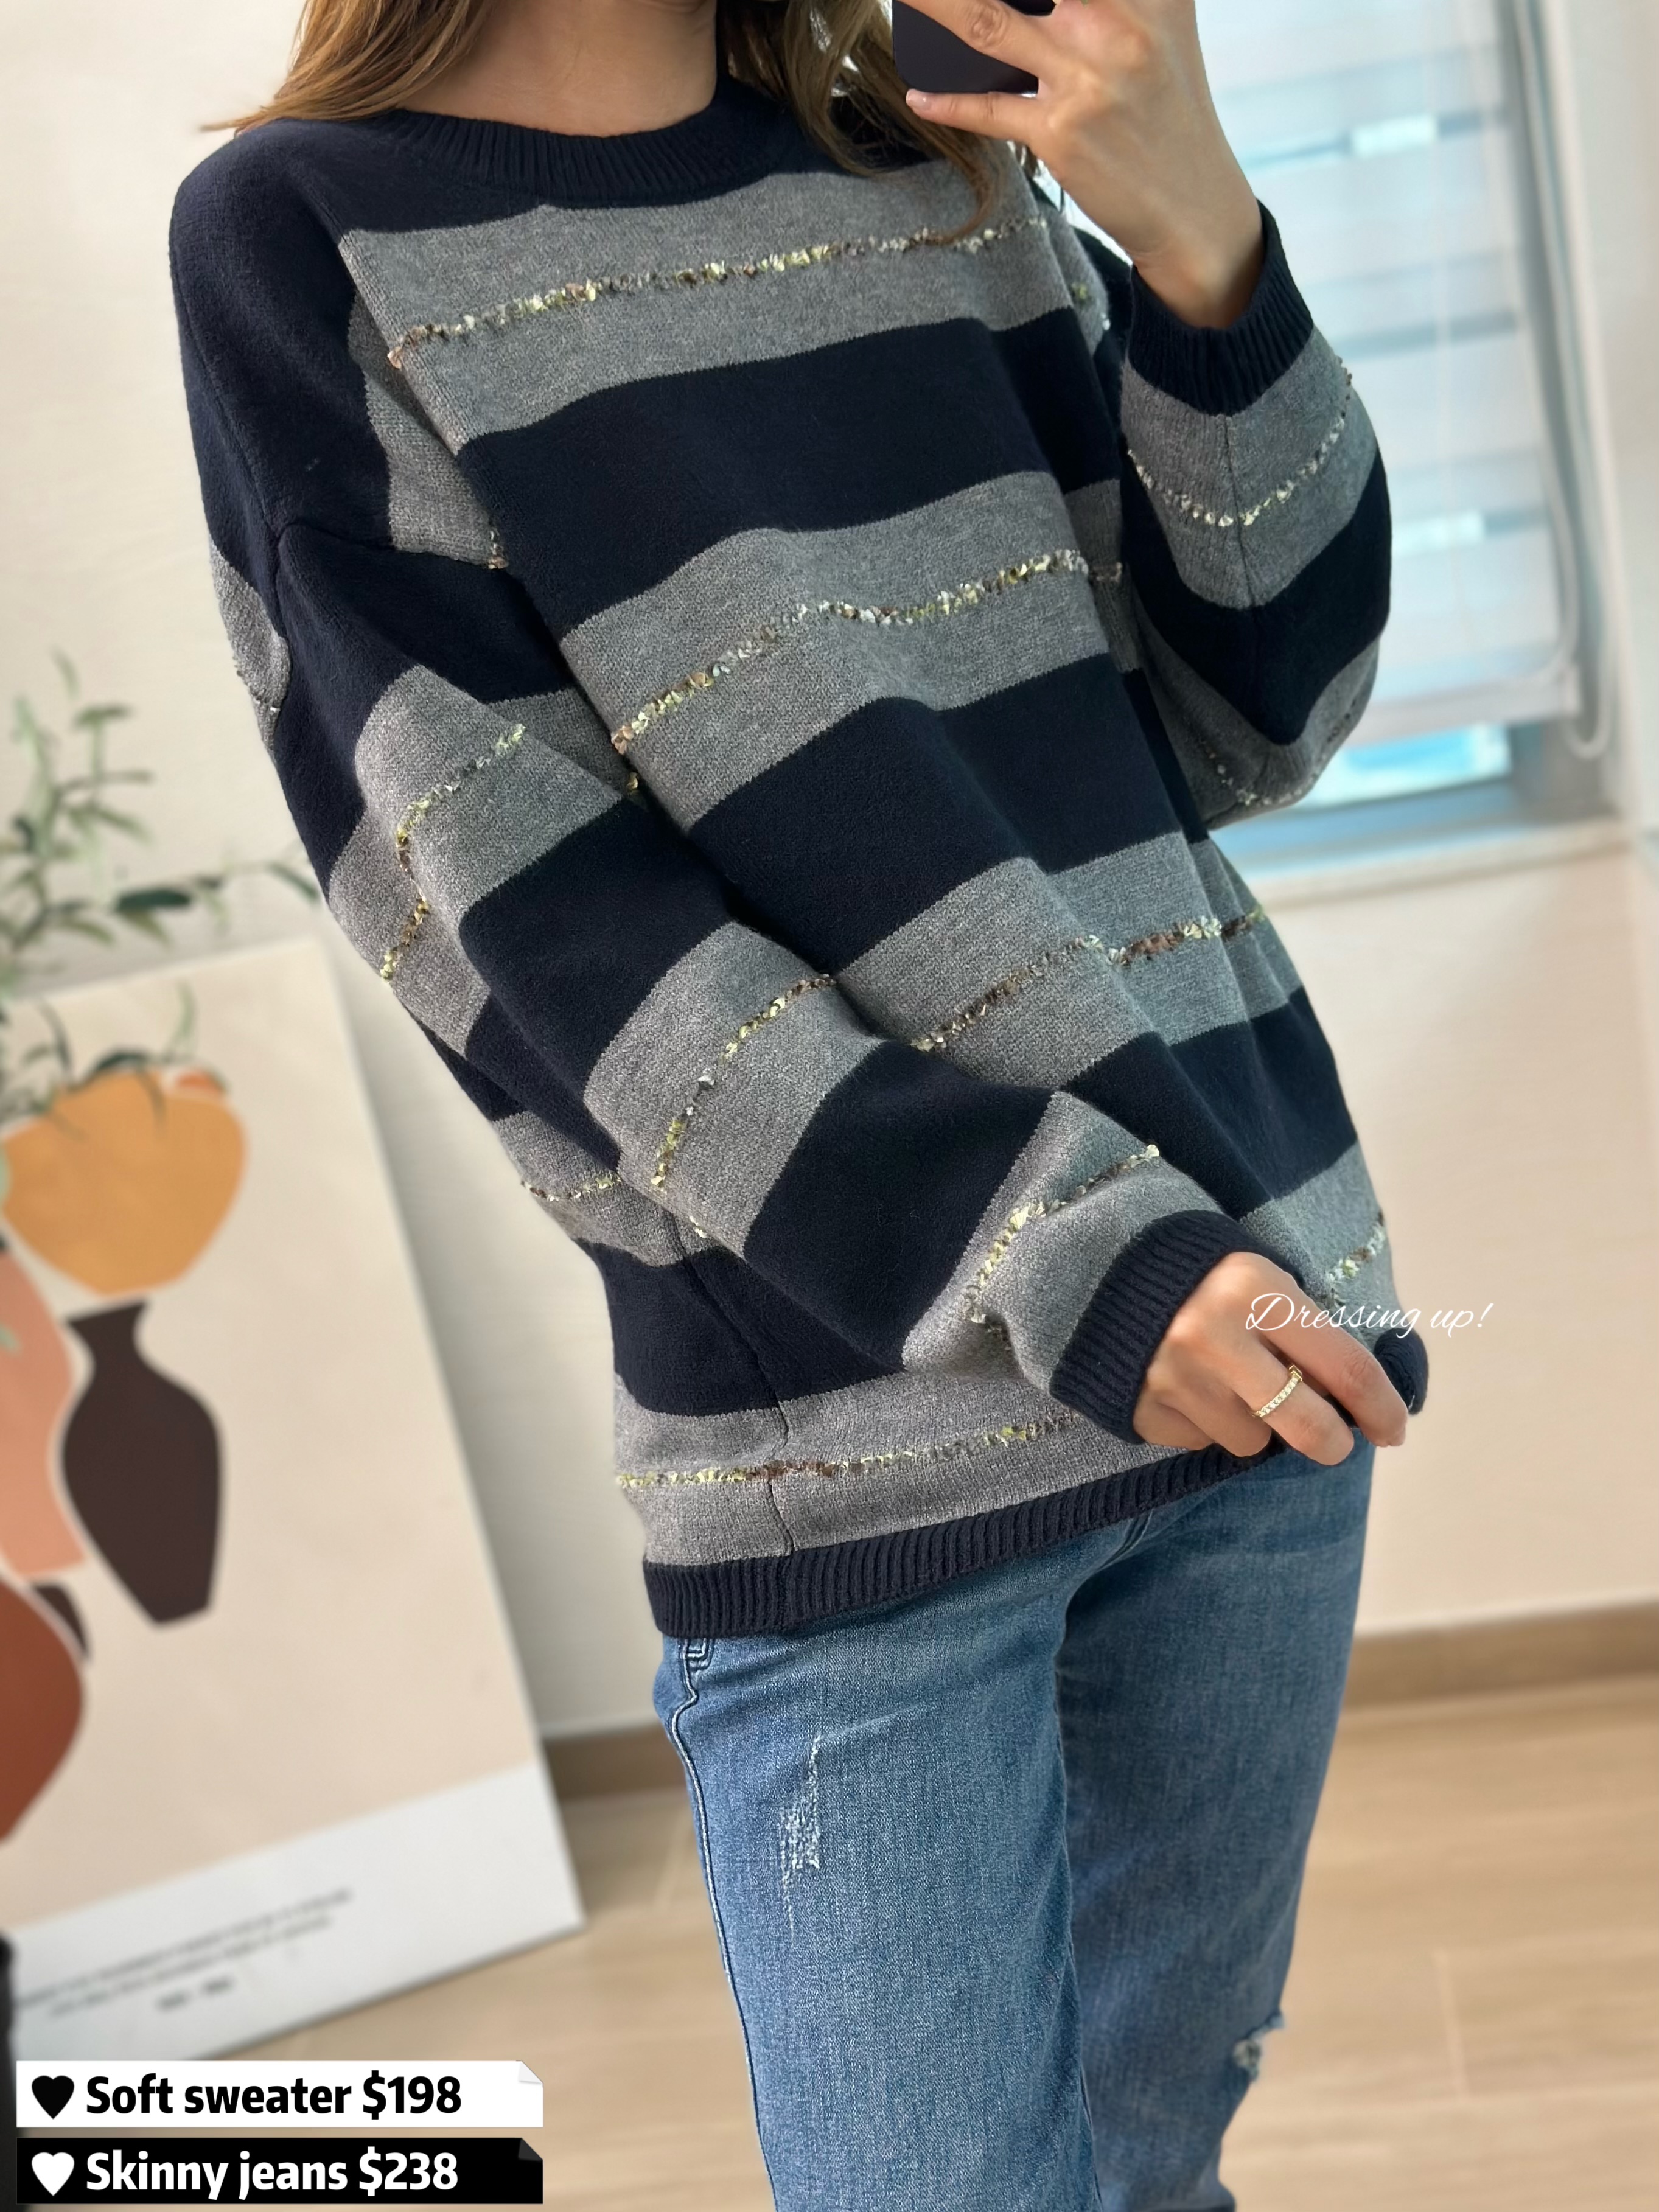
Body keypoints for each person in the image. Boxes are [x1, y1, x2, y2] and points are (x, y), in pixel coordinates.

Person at [170, 1, 1430, 2202]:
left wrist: (1203, 244)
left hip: (1243, 1366)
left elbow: (1262, 714)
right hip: (858, 1460)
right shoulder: (309, 237)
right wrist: (1069, 1257)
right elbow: (517, 915)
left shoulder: (926, 161)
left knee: (1152, 2163)